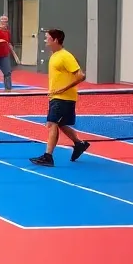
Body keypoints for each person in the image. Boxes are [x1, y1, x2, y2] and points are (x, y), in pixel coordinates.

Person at [30, 29, 91, 166]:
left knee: (52, 124)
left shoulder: (65, 56)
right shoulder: (54, 56)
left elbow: (81, 75)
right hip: (57, 97)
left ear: (56, 40)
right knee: (61, 124)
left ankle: (48, 157)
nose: (45, 40)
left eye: (47, 38)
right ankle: (79, 144)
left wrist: (63, 89)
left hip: (62, 97)